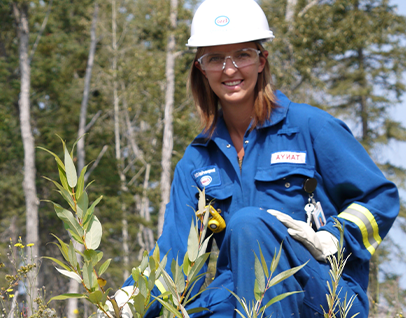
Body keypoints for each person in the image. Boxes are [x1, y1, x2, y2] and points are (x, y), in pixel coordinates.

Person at [106, 0, 400, 317]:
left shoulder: (311, 128)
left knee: (249, 222)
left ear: (262, 60)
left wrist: (333, 237)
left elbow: (379, 198)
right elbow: (175, 254)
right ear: (201, 68)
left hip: (323, 295)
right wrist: (123, 305)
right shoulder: (197, 161)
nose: (230, 69)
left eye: (243, 55)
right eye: (215, 58)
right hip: (239, 299)